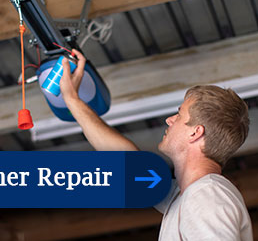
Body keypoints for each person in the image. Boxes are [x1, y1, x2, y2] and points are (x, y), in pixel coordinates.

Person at [60, 49, 253, 241]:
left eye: (179, 115)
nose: (169, 120)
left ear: (195, 132)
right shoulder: (185, 195)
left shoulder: (206, 196)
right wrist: (71, 99)